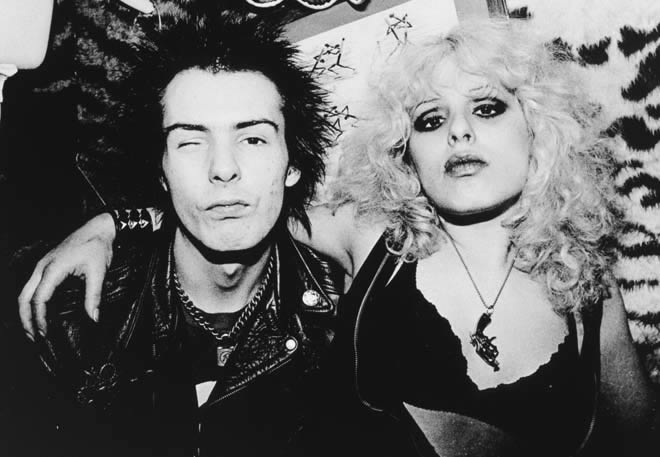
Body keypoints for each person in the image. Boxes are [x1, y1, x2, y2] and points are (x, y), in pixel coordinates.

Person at [18, 19, 657, 456]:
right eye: (431, 119)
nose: (459, 133)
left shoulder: (587, 281)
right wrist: (111, 224)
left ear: (539, 128)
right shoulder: (370, 235)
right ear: (407, 150)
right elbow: (237, 205)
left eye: (487, 108)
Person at [6, 9, 359, 457]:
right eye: (190, 142)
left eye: (253, 139)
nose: (223, 169)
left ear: (293, 165)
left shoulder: (342, 314)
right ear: (160, 171)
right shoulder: (71, 307)